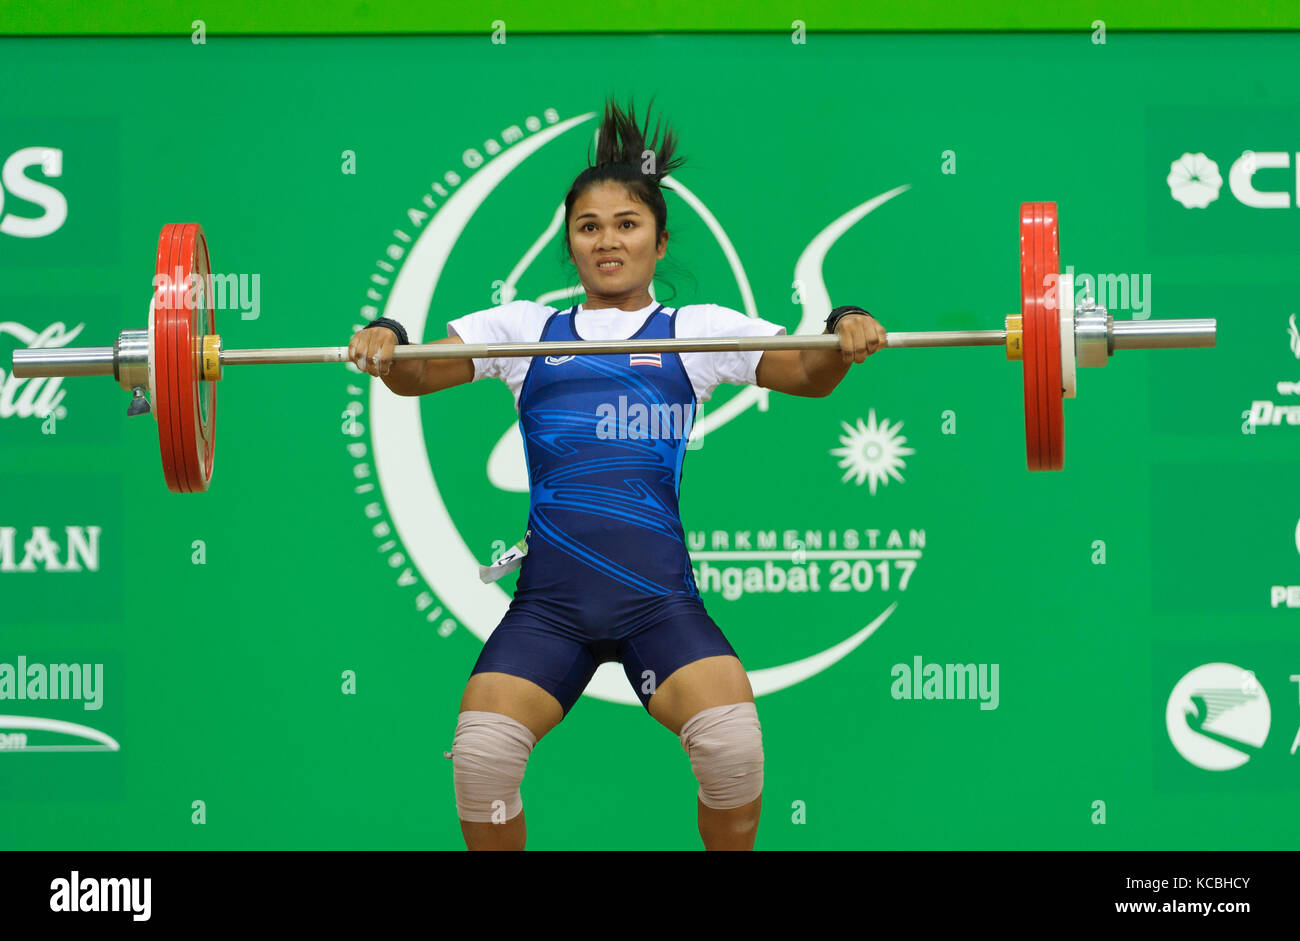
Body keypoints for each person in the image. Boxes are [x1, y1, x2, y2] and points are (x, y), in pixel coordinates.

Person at [347, 96, 886, 850]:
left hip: (656, 607)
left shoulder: (695, 331)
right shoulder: (524, 328)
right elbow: (413, 375)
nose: (607, 242)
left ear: (660, 243)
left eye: (627, 225)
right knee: (481, 758)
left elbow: (809, 372)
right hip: (550, 612)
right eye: (588, 227)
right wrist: (388, 340)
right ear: (568, 244)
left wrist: (843, 328)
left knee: (733, 749)